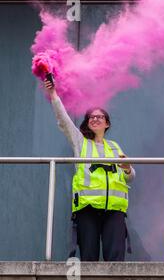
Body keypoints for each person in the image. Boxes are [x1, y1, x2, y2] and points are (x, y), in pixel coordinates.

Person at [44, 79, 135, 261]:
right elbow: (64, 121)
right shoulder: (81, 143)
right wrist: (53, 94)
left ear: (107, 123)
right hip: (88, 209)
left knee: (116, 261)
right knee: (89, 259)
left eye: (99, 117)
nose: (95, 119)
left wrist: (127, 169)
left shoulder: (115, 147)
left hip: (114, 210)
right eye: (91, 117)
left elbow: (130, 177)